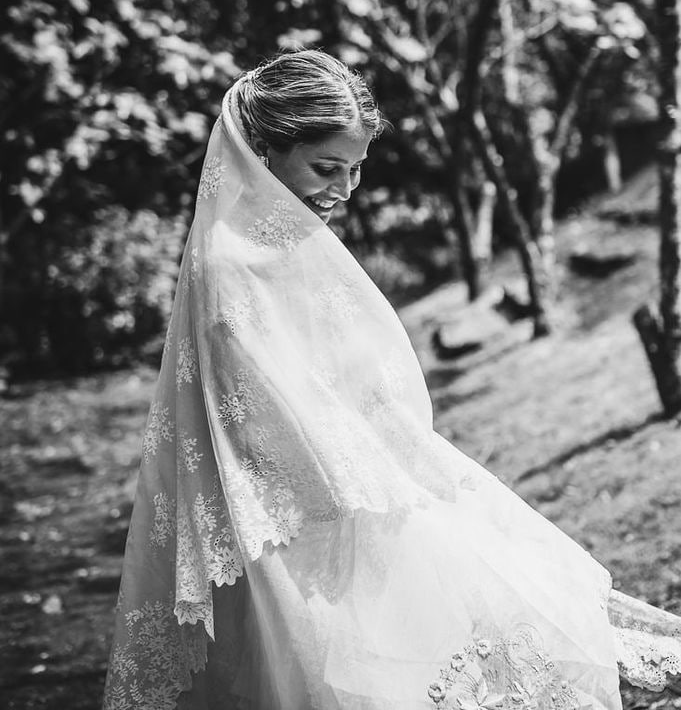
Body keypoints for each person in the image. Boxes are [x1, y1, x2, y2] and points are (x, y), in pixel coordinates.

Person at [103, 50, 681, 710]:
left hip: (362, 471)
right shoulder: (230, 263)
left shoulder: (291, 241)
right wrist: (381, 472)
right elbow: (263, 414)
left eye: (354, 169)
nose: (344, 187)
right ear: (263, 147)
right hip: (311, 510)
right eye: (326, 168)